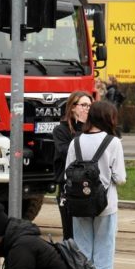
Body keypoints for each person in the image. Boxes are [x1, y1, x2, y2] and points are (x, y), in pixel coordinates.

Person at [66, 100, 126, 269]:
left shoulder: (76, 142)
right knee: (104, 257)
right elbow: (120, 177)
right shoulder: (113, 142)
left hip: (79, 205)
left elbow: (68, 171)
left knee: (82, 255)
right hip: (105, 206)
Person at [53, 91, 91, 240]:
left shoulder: (93, 129)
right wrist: (81, 127)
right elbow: (66, 152)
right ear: (73, 107)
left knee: (86, 234)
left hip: (88, 186)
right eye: (83, 105)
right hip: (67, 187)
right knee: (70, 234)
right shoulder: (61, 130)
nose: (87, 108)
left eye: (89, 105)